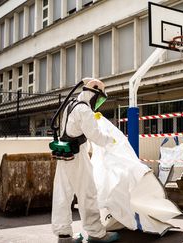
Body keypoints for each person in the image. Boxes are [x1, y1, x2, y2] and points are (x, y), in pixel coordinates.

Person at [52, 78, 120, 243]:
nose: (99, 102)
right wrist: (112, 140)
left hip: (64, 155)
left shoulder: (71, 105)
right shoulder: (84, 111)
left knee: (63, 194)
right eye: (100, 98)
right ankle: (97, 234)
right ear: (94, 93)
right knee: (87, 193)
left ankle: (64, 236)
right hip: (77, 156)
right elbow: (96, 136)